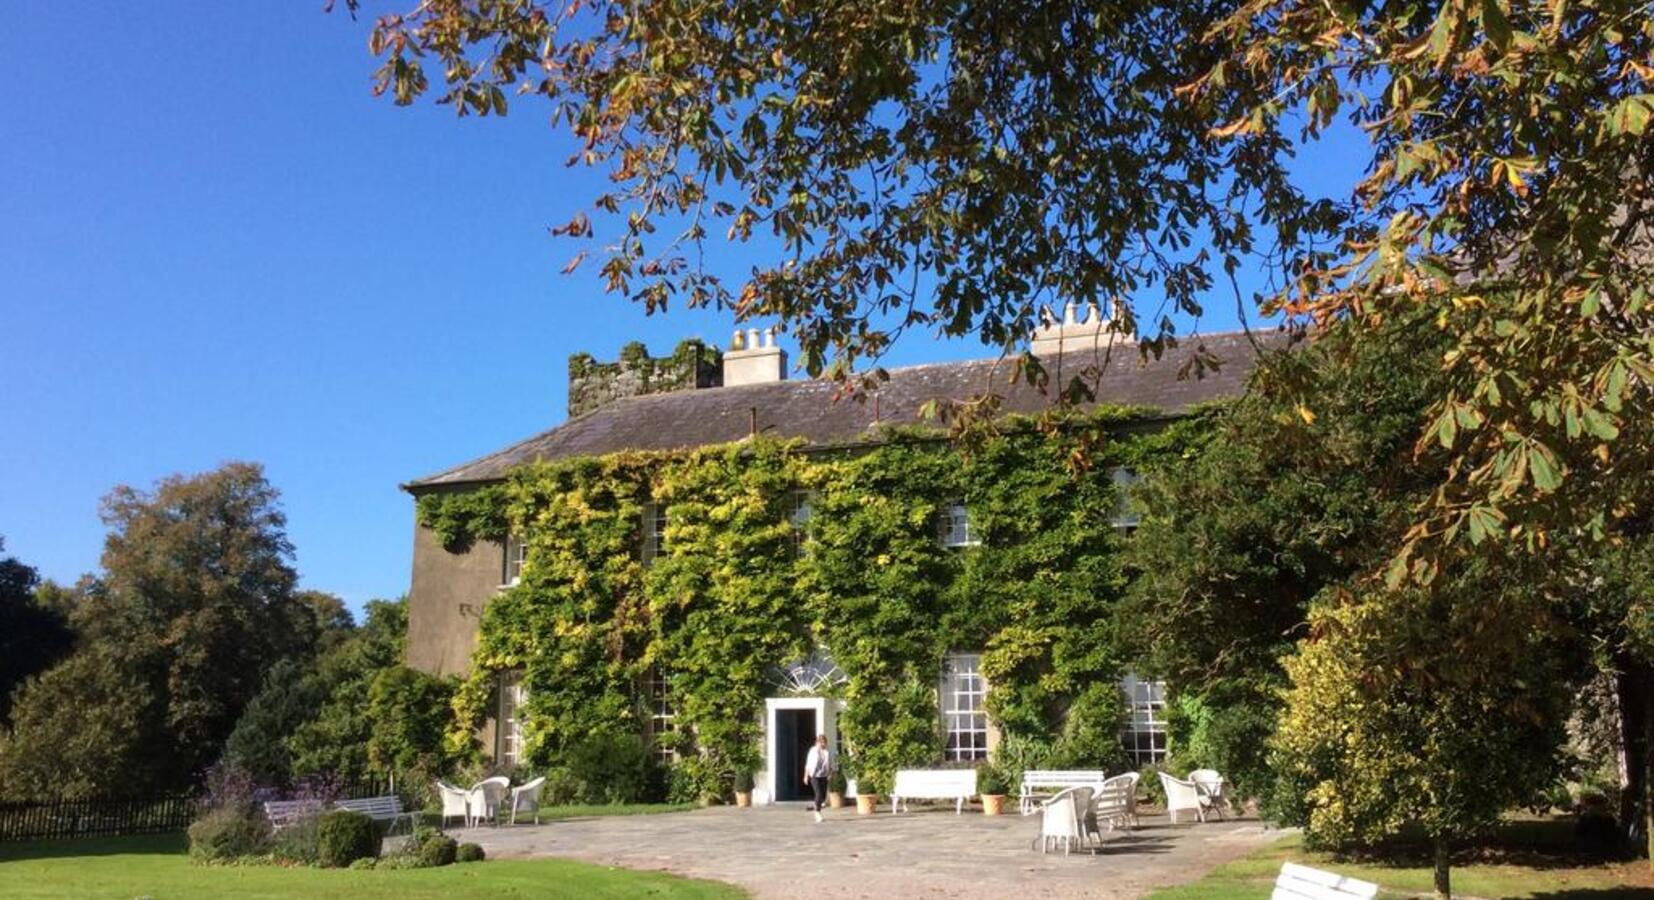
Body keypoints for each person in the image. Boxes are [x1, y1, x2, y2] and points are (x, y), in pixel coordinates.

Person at [802, 734, 831, 823]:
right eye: (821, 742)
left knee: (823, 797)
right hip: (814, 776)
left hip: (823, 775)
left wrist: (830, 773)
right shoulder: (813, 751)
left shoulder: (826, 752)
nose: (823, 744)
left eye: (824, 743)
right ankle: (817, 813)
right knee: (818, 794)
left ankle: (816, 805)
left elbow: (829, 764)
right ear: (817, 742)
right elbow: (808, 764)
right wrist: (806, 776)